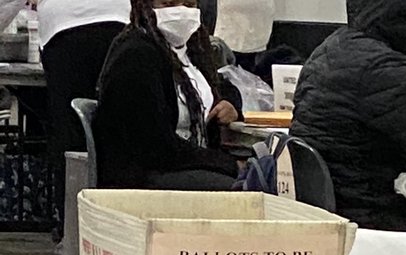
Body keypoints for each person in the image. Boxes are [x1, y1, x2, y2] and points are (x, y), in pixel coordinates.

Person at [291, 0, 406, 234]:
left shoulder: (329, 49)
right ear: (403, 20)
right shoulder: (384, 68)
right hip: (366, 213)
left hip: (328, 205)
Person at [0, 0, 130, 229]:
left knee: (69, 130)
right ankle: (119, 220)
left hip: (64, 28)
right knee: (118, 126)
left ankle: (71, 226)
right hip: (118, 19)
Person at [94, 0, 243, 189]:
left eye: (188, 5)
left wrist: (231, 104)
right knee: (245, 186)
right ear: (145, 6)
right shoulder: (134, 55)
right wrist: (228, 164)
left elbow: (222, 86)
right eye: (168, 4)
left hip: (182, 167)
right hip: (144, 177)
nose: (180, 11)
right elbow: (157, 149)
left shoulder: (191, 50)